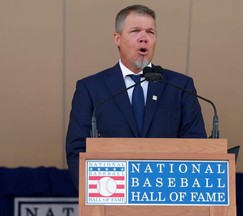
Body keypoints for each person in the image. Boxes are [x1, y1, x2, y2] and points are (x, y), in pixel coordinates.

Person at [66, 4, 207, 189]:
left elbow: (196, 146)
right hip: (110, 198)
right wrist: (94, 192)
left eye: (150, 32)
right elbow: (77, 149)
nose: (144, 38)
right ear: (117, 38)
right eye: (135, 31)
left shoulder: (180, 87)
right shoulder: (91, 89)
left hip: (168, 196)